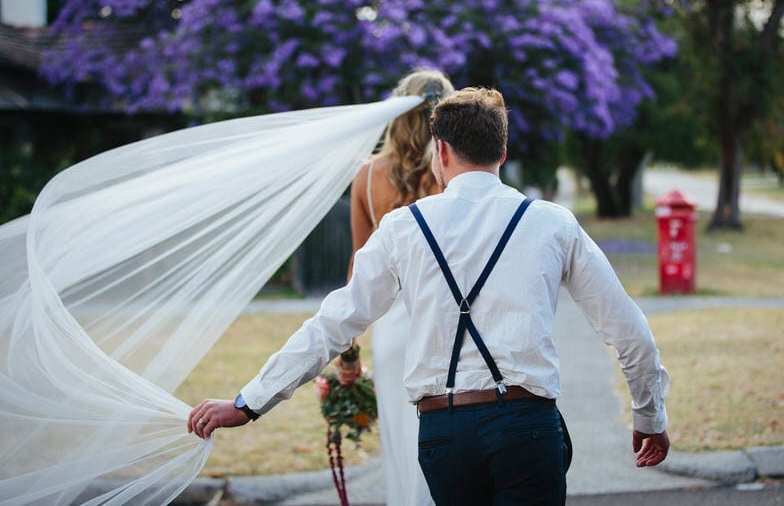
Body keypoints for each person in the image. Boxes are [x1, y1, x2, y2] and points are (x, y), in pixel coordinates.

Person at [189, 87, 670, 506]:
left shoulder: (403, 228)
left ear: (440, 152)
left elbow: (333, 325)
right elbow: (629, 331)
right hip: (527, 425)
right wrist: (649, 415)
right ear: (502, 152)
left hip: (445, 434)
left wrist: (249, 403)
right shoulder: (552, 222)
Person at [338, 68, 454, 506]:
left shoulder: (367, 177)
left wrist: (348, 351)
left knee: (404, 451)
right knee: (447, 442)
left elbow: (358, 270)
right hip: (446, 325)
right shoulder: (449, 173)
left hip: (391, 332)